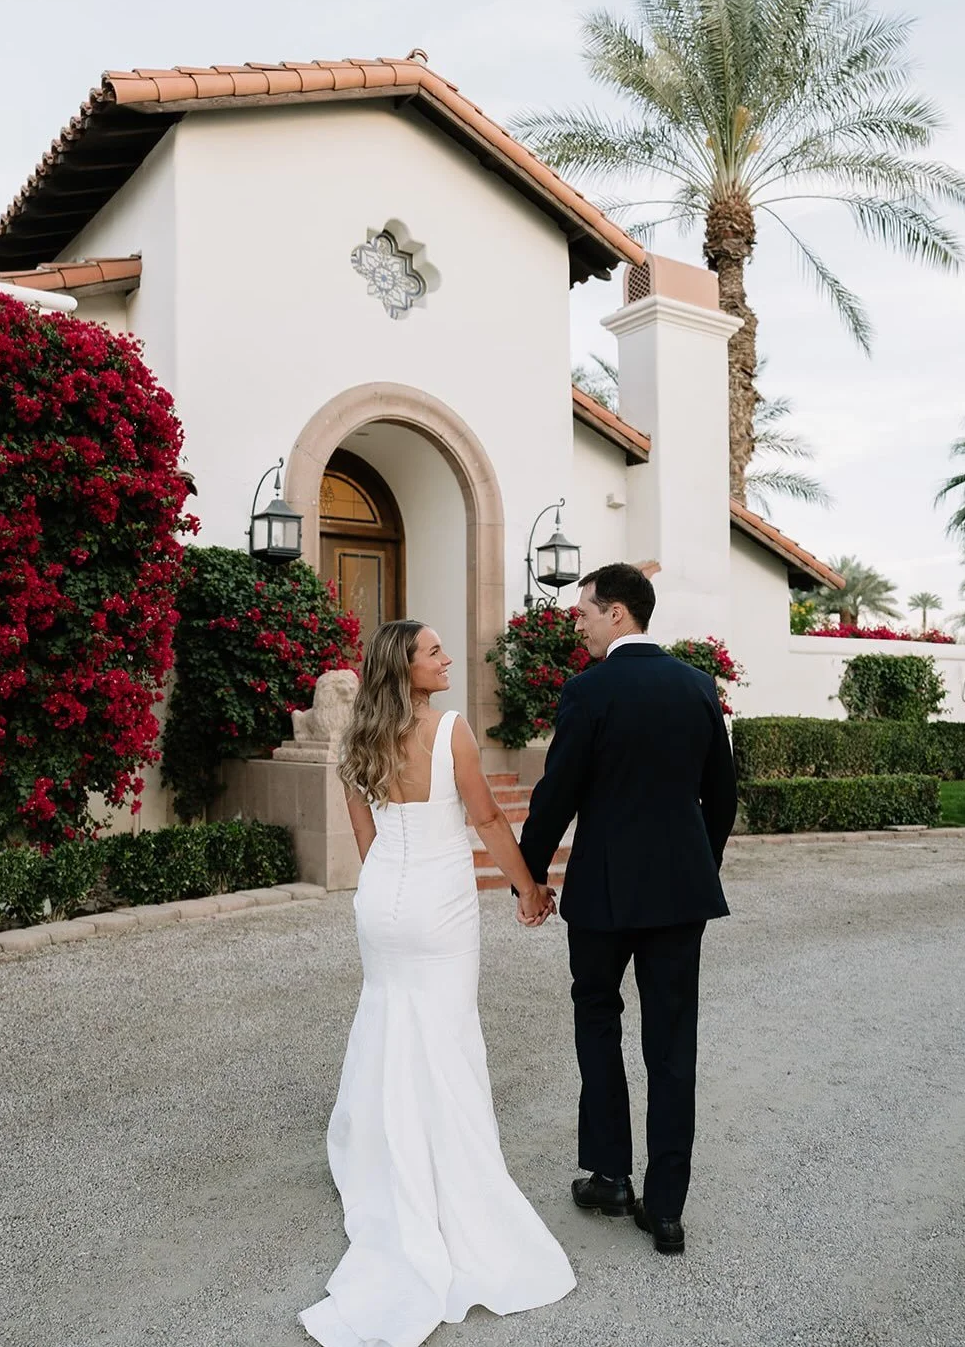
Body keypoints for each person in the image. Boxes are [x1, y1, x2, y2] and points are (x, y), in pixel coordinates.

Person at [300, 620, 574, 1347]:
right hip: (439, 905)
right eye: (433, 652)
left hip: (382, 901)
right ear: (406, 668)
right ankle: (451, 1172)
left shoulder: (358, 738)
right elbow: (486, 818)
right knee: (446, 1033)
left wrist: (387, 889)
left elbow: (366, 836)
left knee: (387, 1018)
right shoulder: (450, 730)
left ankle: (381, 1150)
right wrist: (529, 889)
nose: (447, 658)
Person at [519, 563, 737, 1256]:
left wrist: (529, 875)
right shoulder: (697, 686)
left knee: (597, 1021)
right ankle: (666, 1210)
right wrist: (698, 866)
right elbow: (722, 796)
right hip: (679, 894)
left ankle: (611, 1175)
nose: (578, 624)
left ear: (617, 612)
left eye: (584, 611)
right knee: (672, 1043)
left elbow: (557, 793)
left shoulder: (588, 690)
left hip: (603, 893)